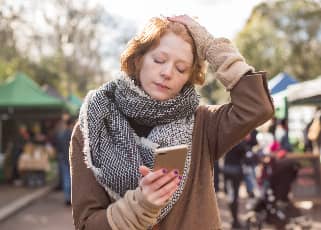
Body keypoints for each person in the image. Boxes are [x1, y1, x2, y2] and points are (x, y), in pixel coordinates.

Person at [70, 15, 274, 229]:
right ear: (138, 59)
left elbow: (256, 107)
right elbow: (86, 224)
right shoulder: (93, 125)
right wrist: (139, 207)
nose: (167, 72)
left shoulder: (204, 124)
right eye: (159, 60)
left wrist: (210, 46)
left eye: (181, 68)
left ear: (189, 77)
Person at [54, 118, 74, 205]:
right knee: (71, 178)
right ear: (71, 124)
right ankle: (71, 197)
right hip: (71, 158)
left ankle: (67, 197)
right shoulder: (72, 134)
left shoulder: (61, 135)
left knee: (66, 178)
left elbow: (58, 147)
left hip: (63, 158)